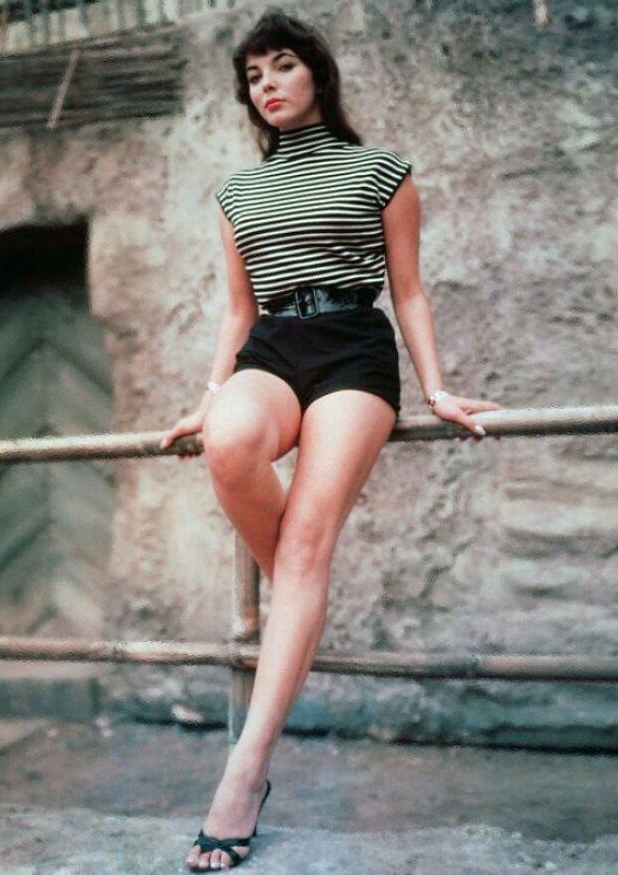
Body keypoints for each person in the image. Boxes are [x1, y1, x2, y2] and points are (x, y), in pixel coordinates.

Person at [160, 8, 503, 870]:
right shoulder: (238, 193)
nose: (267, 85)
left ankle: (244, 773)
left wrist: (435, 387)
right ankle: (302, 597)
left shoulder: (383, 171)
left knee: (307, 544)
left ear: (317, 75)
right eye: (253, 77)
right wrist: (208, 399)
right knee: (232, 445)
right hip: (274, 346)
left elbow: (411, 291)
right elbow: (239, 311)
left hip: (353, 348)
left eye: (281, 67)